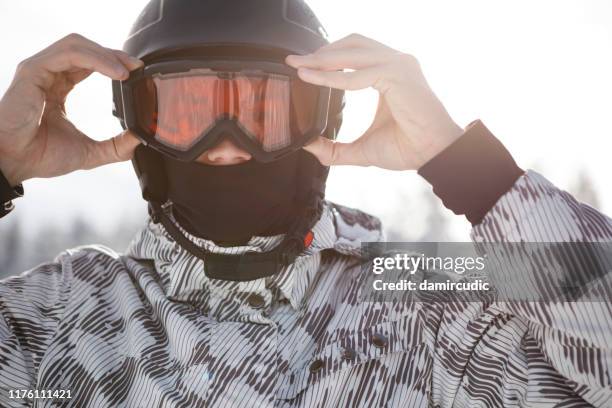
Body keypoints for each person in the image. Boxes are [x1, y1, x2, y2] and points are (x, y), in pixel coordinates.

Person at [0, 0, 610, 407]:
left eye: (261, 113)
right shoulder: (62, 313)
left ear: (320, 119)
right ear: (142, 129)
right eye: (189, 113)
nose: (227, 148)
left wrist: (465, 166)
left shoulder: (417, 289)